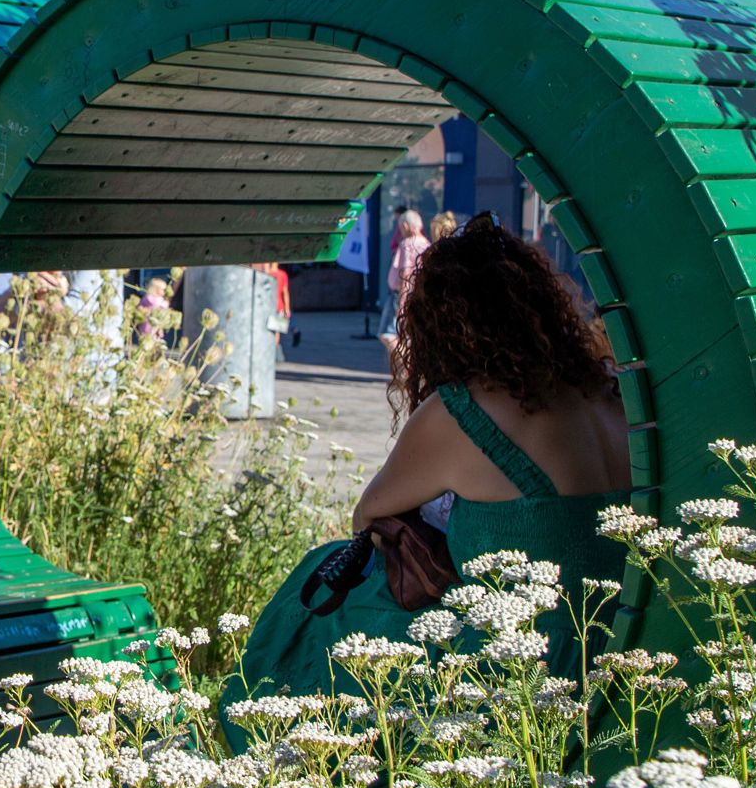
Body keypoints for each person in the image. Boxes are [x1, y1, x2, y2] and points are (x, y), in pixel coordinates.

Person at [230, 214, 631, 701]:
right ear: (543, 308)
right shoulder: (610, 392)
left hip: (520, 665)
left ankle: (269, 723)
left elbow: (369, 515)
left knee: (321, 587)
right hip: (620, 645)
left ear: (443, 327)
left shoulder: (465, 411)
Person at [378, 209, 430, 351]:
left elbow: (406, 273)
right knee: (407, 335)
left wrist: (402, 301)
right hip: (417, 293)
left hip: (401, 294)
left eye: (400, 227)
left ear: (405, 226)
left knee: (388, 335)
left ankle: (400, 364)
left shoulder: (408, 244)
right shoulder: (426, 244)